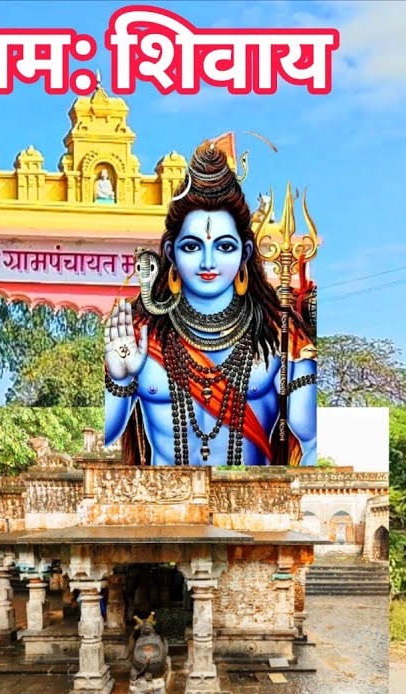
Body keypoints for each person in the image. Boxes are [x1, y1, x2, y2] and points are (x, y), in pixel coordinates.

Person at [103, 141, 317, 466]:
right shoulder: (138, 332)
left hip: (252, 497)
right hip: (163, 497)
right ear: (171, 252)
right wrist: (120, 379)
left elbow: (312, 442)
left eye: (224, 247)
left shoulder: (279, 335)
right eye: (191, 247)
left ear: (245, 252)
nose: (207, 262)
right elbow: (104, 436)